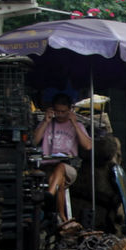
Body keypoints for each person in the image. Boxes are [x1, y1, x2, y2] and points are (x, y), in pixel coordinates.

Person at [32, 92, 92, 222]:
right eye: (57, 111)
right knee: (60, 180)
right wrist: (45, 121)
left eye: (63, 112)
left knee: (61, 168)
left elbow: (88, 146)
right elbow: (33, 141)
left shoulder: (78, 126)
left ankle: (49, 195)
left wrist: (75, 124)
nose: (60, 115)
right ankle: (62, 216)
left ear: (70, 110)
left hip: (69, 168)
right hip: (48, 168)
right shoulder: (48, 124)